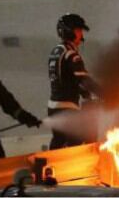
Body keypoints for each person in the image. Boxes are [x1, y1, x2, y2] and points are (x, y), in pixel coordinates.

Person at [47, 13, 101, 149]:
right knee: (77, 145)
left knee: (58, 144)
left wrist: (83, 93)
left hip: (53, 108)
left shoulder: (56, 51)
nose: (81, 34)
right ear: (69, 32)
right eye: (78, 30)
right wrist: (106, 94)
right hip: (67, 109)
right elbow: (84, 79)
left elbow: (66, 79)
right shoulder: (70, 54)